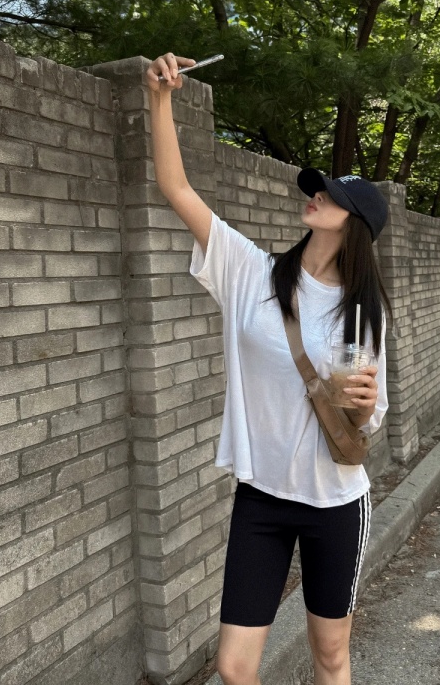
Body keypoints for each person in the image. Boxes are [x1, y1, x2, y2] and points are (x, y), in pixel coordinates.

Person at [146, 53, 391, 685]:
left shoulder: (363, 313)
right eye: (318, 188)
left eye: (332, 196)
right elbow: (177, 190)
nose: (316, 195)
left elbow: (369, 416)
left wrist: (365, 406)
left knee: (330, 655)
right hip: (262, 497)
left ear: (357, 225)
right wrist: (160, 98)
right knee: (234, 668)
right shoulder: (251, 272)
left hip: (335, 501)